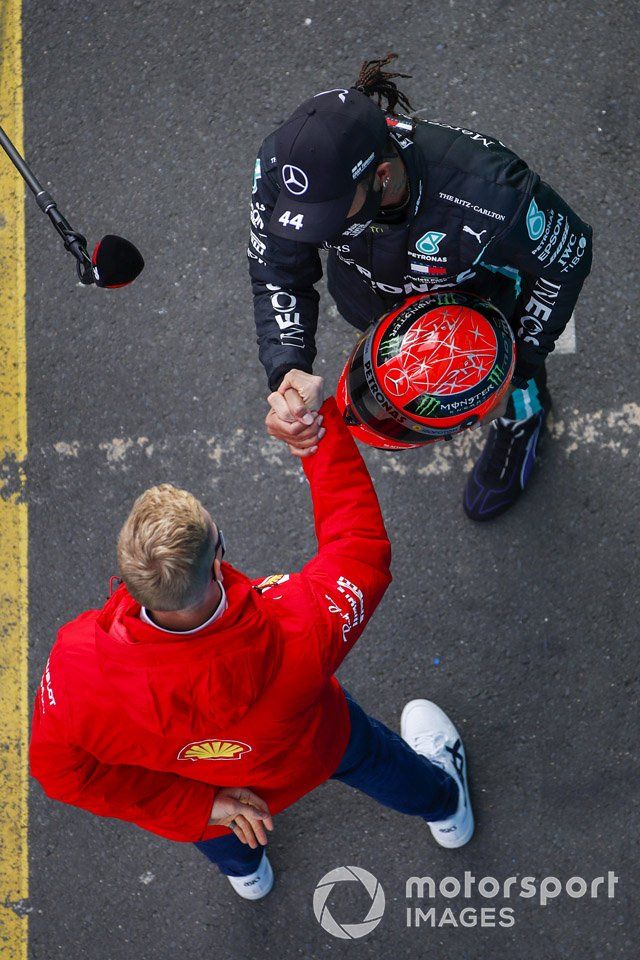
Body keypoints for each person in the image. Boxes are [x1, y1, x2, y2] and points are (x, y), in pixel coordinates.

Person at [30, 371, 473, 901]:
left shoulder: (76, 665)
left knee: (224, 833)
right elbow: (358, 547)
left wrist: (199, 807)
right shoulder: (301, 624)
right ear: (216, 562)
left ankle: (248, 874)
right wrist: (318, 433)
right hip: (316, 749)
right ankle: (447, 812)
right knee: (379, 761)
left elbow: (60, 774)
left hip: (210, 792)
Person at [248, 54, 593, 520]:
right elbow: (277, 269)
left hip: (476, 316)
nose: (316, 228)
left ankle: (522, 419)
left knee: (514, 387)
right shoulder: (286, 172)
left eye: (330, 213)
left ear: (382, 177)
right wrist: (287, 365)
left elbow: (566, 258)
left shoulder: (493, 191)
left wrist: (519, 364)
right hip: (369, 303)